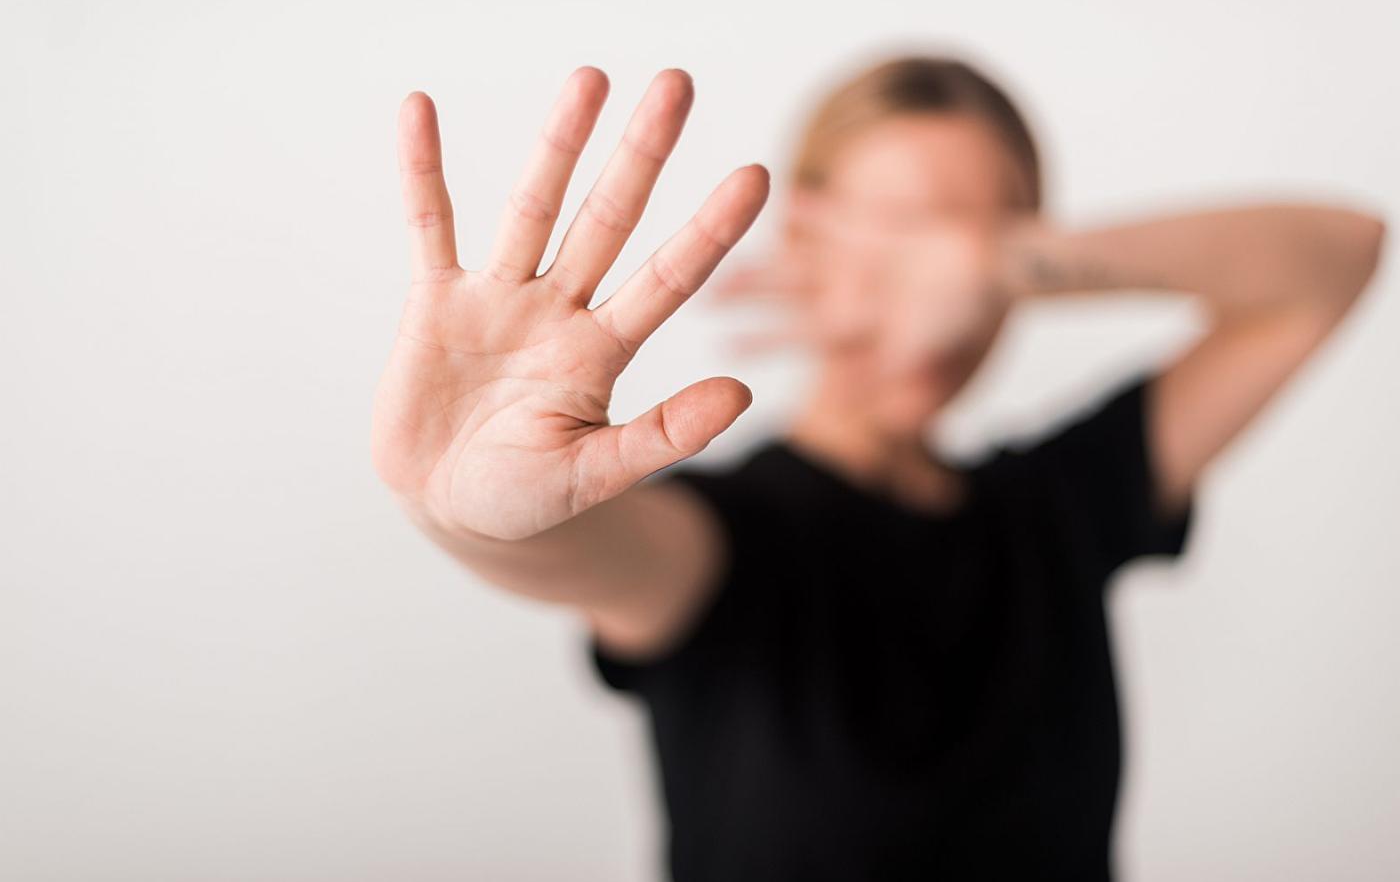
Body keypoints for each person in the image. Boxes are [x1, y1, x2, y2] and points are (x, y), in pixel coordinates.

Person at [370, 58, 1385, 880]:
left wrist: (998, 261)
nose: (944, 289)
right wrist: (455, 514)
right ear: (803, 235)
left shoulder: (1056, 506)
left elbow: (1335, 263)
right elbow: (583, 547)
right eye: (903, 233)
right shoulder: (729, 534)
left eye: (991, 237)